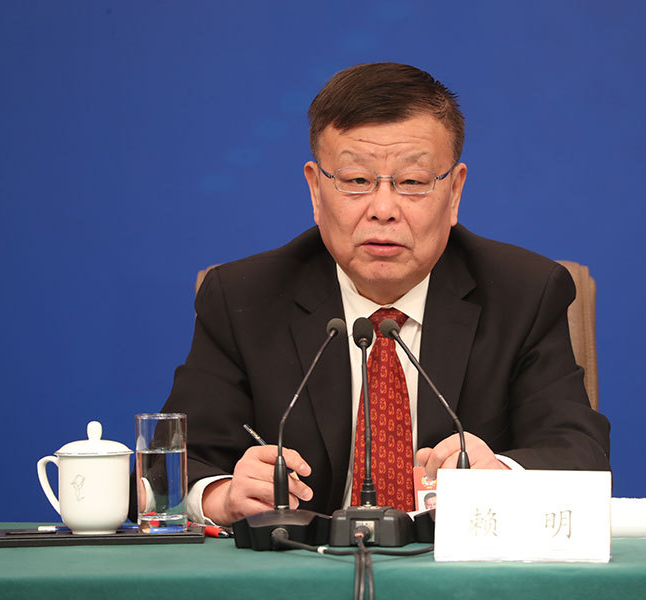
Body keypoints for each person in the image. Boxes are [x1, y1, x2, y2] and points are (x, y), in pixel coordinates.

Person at [156, 62, 611, 527]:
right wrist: (222, 496)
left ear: (454, 192)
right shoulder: (244, 298)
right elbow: (173, 467)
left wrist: (501, 475)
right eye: (357, 181)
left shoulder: (524, 292)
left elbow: (579, 451)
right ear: (316, 189)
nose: (383, 209)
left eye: (412, 182)